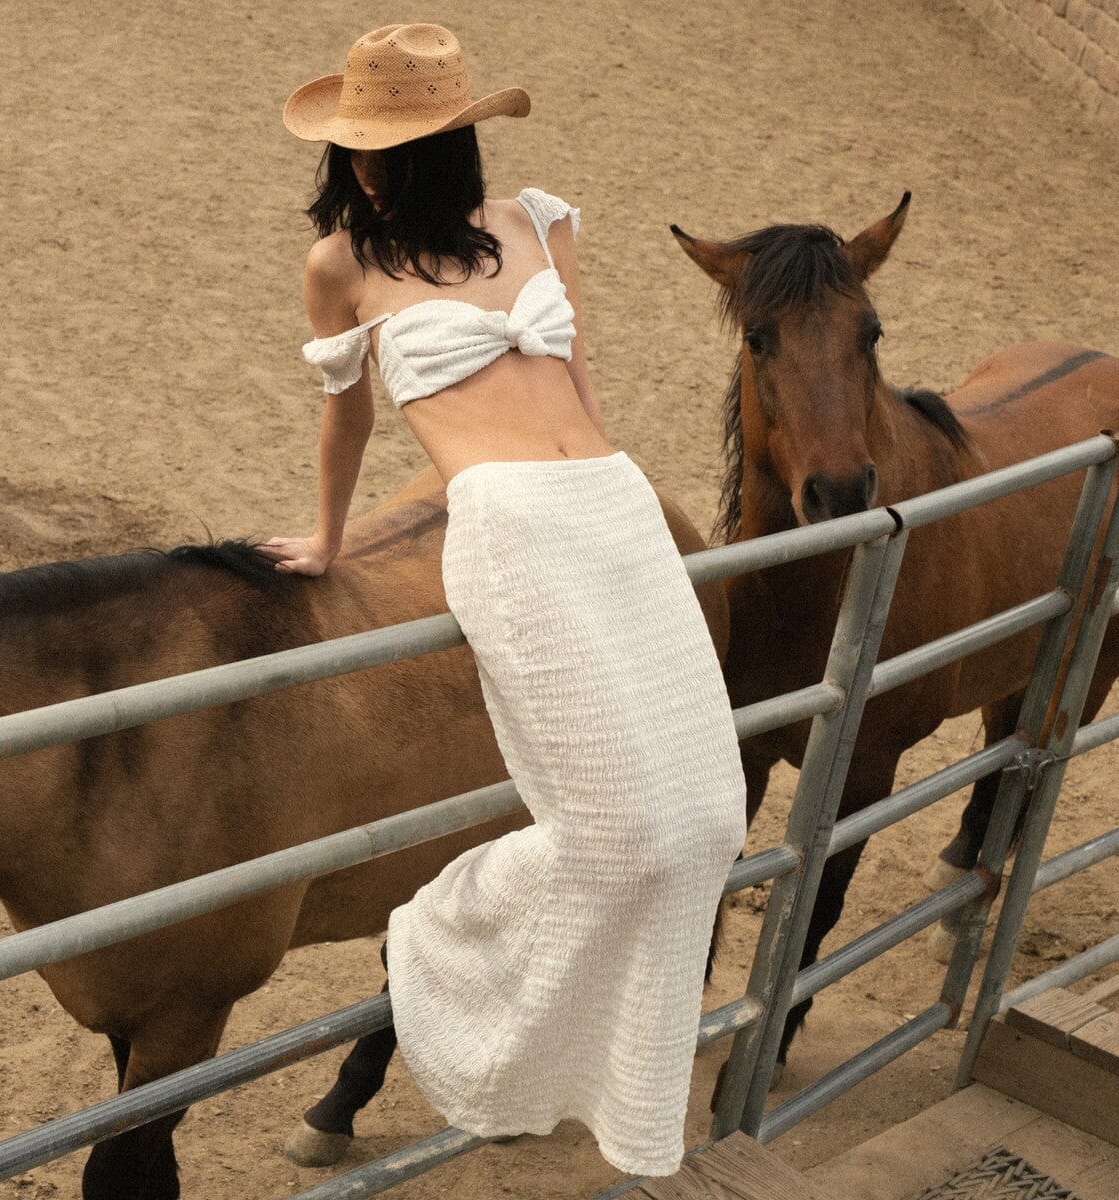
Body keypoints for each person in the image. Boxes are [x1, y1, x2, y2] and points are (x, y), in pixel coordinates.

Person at [261, 23, 747, 1179]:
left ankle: (625, 1090)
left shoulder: (537, 221)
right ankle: (432, 936)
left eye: (388, 147)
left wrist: (613, 491)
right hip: (514, 536)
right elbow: (351, 413)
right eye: (358, 147)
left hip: (614, 510)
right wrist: (329, 537)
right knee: (621, 830)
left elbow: (580, 381)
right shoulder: (343, 265)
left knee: (712, 818)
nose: (365, 165)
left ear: (446, 148)